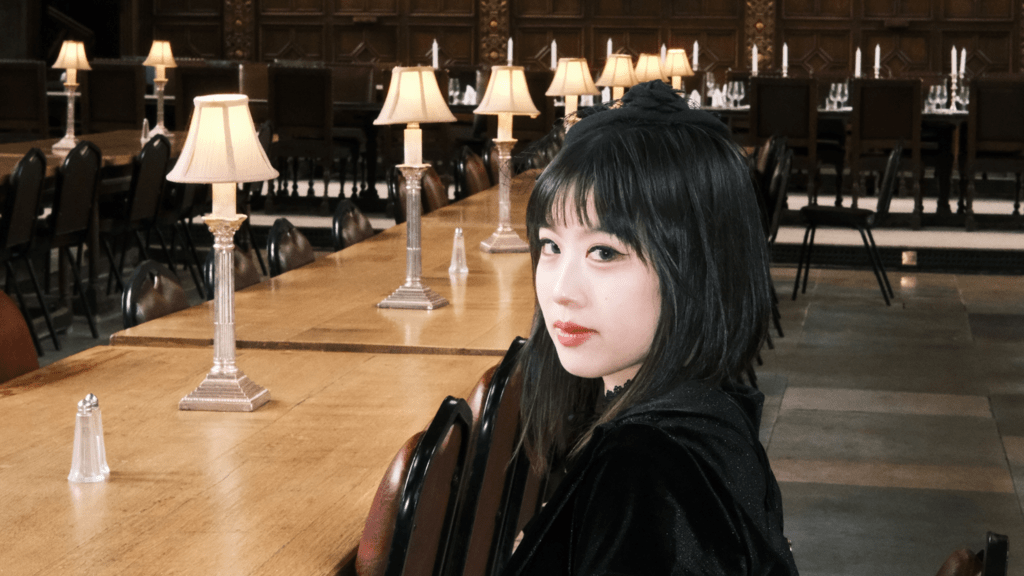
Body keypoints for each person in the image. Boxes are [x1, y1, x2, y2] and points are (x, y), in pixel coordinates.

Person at [503, 80, 799, 576]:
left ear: (698, 270)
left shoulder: (644, 471)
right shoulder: (708, 414)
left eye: (604, 252)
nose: (561, 290)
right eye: (551, 246)